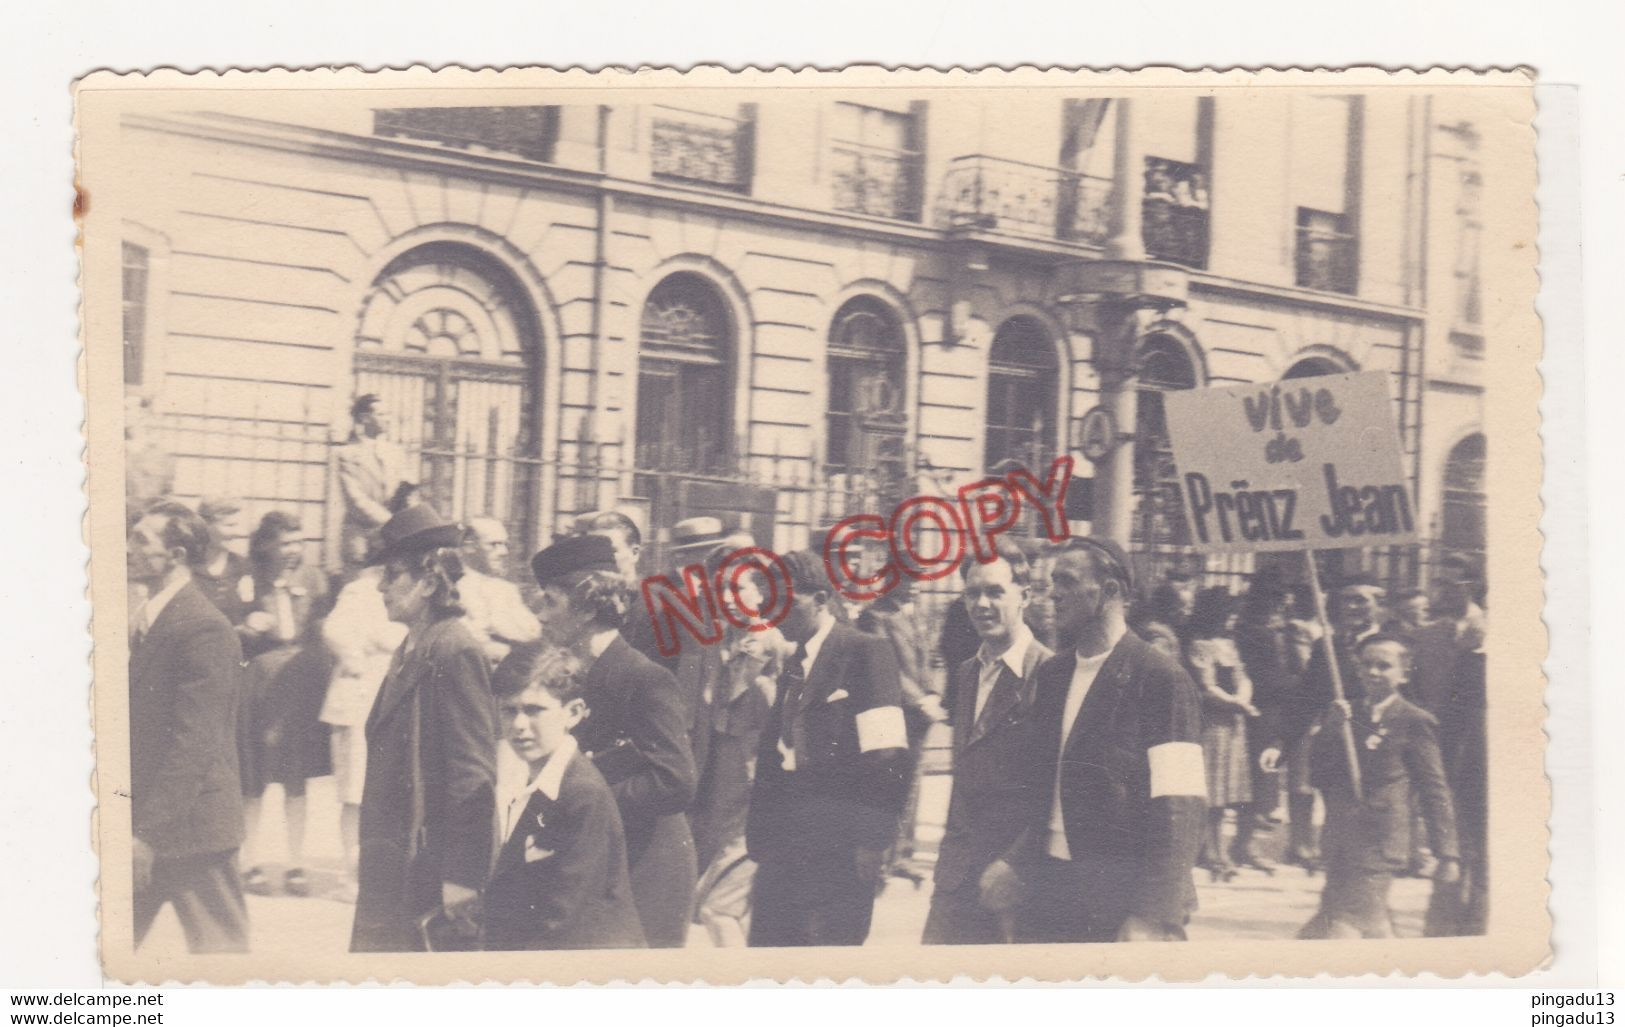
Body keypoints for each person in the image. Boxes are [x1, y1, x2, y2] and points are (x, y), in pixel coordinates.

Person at [977, 537, 1205, 943]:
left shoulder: (1160, 677)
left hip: (1120, 897)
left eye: (1066, 581)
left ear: (1110, 591)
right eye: (1050, 583)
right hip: (1048, 888)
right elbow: (1044, 789)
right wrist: (1014, 861)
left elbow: (1180, 804)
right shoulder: (1053, 675)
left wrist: (1153, 913)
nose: (1053, 594)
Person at [525, 533, 699, 948]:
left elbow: (676, 781)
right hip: (599, 853)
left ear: (586, 605)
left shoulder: (644, 678)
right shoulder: (571, 674)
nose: (541, 616)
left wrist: (588, 804)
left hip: (648, 863)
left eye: (550, 601)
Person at [745, 550, 912, 947]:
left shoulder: (864, 652)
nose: (774, 612)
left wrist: (872, 844)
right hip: (782, 851)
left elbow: (887, 757)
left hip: (837, 855)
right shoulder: (794, 661)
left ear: (820, 599)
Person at [351, 505, 497, 952]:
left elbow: (473, 772)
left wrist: (462, 876)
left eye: (392, 575)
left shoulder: (454, 650)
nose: (380, 586)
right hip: (392, 863)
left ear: (430, 582)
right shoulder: (413, 646)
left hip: (427, 870)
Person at [127, 499, 248, 952]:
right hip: (147, 824)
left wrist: (147, 835)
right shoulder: (149, 616)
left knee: (223, 962)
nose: (126, 548)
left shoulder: (203, 628)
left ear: (176, 556)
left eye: (141, 540)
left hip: (194, 832)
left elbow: (195, 743)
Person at [1281, 634, 1460, 939]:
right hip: (1341, 838)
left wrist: (1448, 853)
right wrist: (1330, 730)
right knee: (1360, 924)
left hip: (1380, 840)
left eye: (1384, 666)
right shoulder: (1346, 714)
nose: (1373, 672)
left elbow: (1434, 790)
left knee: (1344, 926)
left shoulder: (1414, 721)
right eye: (1367, 665)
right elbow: (1319, 776)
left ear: (1403, 673)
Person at [923, 539, 1052, 945]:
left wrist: (1017, 864)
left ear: (1024, 596)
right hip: (955, 879)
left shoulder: (1050, 674)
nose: (982, 604)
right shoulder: (966, 674)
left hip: (1013, 884)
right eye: (972, 593)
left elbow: (1057, 789)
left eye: (995, 591)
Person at [483, 646, 646, 950]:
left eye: (534, 710)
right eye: (509, 710)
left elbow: (565, 921)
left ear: (573, 713)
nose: (519, 725)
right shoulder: (536, 781)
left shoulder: (581, 794)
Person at [236, 511, 333, 899]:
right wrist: (248, 625)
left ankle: (296, 863)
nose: (293, 550)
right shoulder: (250, 577)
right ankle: (249, 862)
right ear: (265, 545)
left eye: (298, 542)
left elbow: (325, 628)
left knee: (297, 778)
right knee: (255, 777)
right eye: (284, 543)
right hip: (262, 679)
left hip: (301, 682)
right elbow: (237, 624)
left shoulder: (314, 580)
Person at [320, 556, 407, 901]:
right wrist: (358, 655)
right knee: (356, 793)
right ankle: (353, 875)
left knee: (391, 787)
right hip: (359, 698)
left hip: (392, 693)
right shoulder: (360, 590)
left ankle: (383, 871)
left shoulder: (413, 590)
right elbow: (334, 630)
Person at [855, 575, 945, 886]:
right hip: (893, 712)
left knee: (913, 786)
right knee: (887, 786)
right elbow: (885, 665)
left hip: (919, 715)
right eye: (909, 576)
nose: (917, 582)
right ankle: (879, 861)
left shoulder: (914, 611)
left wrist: (933, 693)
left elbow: (928, 660)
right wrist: (920, 700)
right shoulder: (875, 616)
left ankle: (903, 857)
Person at [1184, 587, 1259, 881]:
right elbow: (1207, 686)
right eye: (1228, 614)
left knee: (1227, 791)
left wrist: (1243, 696)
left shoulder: (1230, 645)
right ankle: (1211, 851)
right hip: (1213, 723)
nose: (1232, 621)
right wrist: (1237, 703)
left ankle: (1219, 849)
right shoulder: (1200, 646)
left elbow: (1243, 677)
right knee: (1212, 791)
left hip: (1234, 725)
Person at [1232, 575, 1296, 874]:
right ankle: (1245, 845)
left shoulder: (1278, 629)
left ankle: (1245, 843)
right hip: (1258, 708)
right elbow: (1267, 673)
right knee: (1256, 776)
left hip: (1275, 706)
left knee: (1264, 777)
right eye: (1276, 597)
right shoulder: (1250, 631)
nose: (1282, 603)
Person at [336, 393, 415, 570]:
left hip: (393, 539)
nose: (388, 419)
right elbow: (356, 500)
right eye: (381, 415)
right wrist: (390, 522)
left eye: (388, 414)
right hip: (361, 538)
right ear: (365, 418)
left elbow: (407, 491)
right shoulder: (347, 454)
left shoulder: (396, 453)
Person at [458, 516, 542, 666]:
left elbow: (533, 633)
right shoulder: (455, 588)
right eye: (494, 544)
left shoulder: (507, 590)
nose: (504, 552)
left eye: (504, 544)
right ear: (469, 546)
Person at [193, 497, 253, 625]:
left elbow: (251, 607)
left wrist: (256, 617)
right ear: (204, 527)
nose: (237, 532)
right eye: (230, 525)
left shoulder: (244, 567)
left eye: (238, 525)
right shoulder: (186, 567)